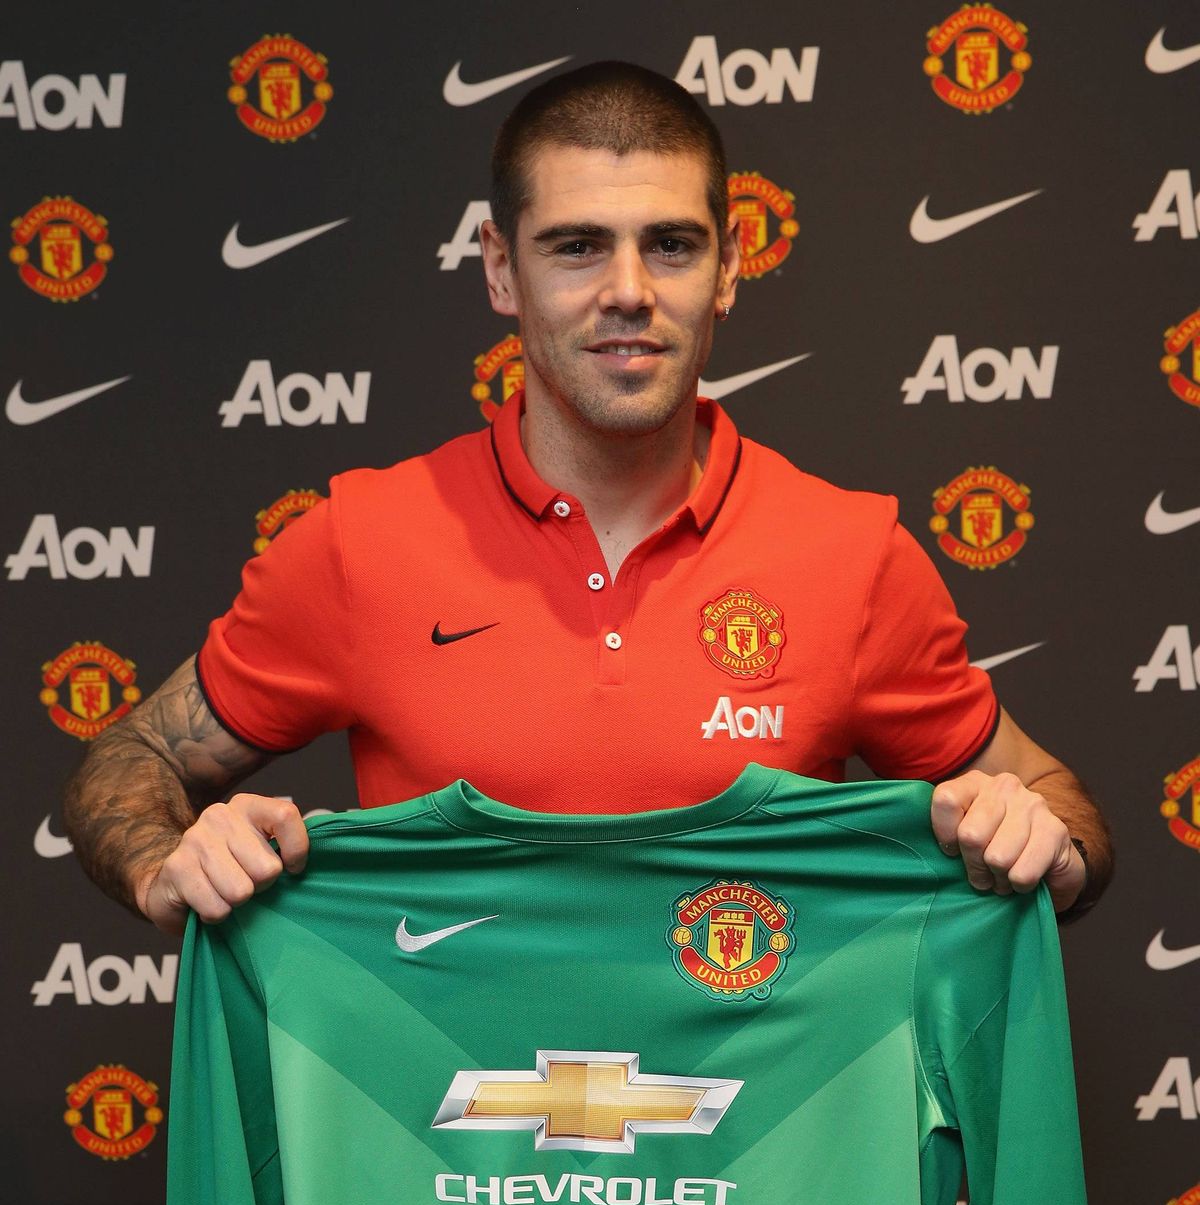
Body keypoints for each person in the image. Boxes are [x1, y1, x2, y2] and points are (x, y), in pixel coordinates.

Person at [63, 60, 1109, 934]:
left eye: (672, 244)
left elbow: (1066, 813)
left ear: (731, 267)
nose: (628, 290)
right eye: (576, 245)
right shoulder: (361, 541)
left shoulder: (853, 553)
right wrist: (166, 861)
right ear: (499, 269)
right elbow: (135, 756)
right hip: (452, 1168)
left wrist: (1040, 845)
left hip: (754, 1168)